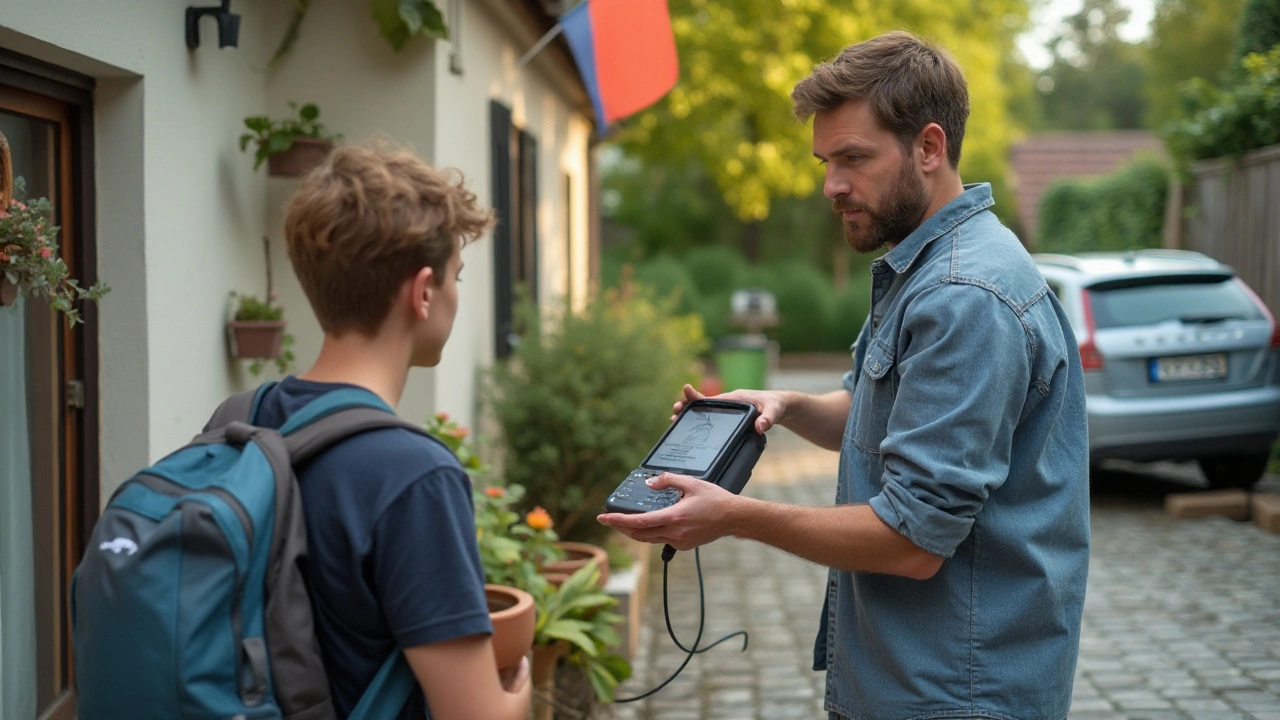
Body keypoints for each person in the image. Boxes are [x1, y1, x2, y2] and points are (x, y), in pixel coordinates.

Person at [599, 31, 1090, 720]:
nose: (832, 185)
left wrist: (735, 517)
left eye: (853, 159)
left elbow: (914, 540)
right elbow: (873, 412)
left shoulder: (963, 296)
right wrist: (785, 404)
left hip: (952, 694)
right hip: (910, 679)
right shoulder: (924, 266)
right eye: (826, 161)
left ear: (929, 146)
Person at [252, 144, 532, 720]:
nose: (456, 292)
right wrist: (519, 690)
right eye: (457, 275)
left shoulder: (243, 418)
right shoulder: (413, 476)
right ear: (423, 291)